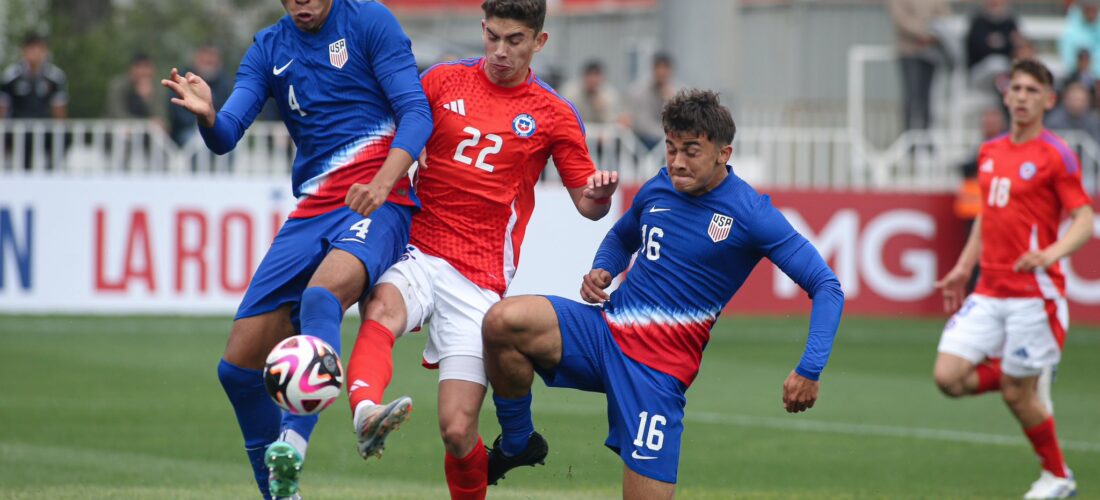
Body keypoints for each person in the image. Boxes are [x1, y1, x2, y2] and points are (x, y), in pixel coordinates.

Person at [481, 89, 845, 498]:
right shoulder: (659, 186)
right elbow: (622, 236)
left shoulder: (750, 214)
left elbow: (827, 286)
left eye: (691, 150)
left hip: (657, 372)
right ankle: (516, 444)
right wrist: (604, 267)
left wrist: (809, 369)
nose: (676, 161)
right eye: (671, 148)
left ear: (724, 153)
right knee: (502, 322)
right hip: (603, 333)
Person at [341, 1, 617, 498]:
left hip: (480, 280)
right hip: (419, 251)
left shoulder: (553, 114)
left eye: (514, 40)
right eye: (492, 37)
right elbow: (399, 129)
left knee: (457, 429)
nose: (500, 51)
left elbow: (586, 204)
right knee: (380, 308)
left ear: (539, 42)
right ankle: (365, 411)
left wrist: (598, 197)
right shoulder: (442, 81)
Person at [160, 0, 432, 498]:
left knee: (320, 297)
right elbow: (225, 136)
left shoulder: (369, 21)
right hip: (312, 209)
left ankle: (293, 442)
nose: (301, 2)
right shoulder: (268, 48)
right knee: (238, 369)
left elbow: (416, 112)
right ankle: (280, 493)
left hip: (379, 201)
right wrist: (207, 115)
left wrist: (383, 181)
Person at [933, 59, 1094, 500]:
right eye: (1016, 89)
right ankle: (1025, 371)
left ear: (1049, 100)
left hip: (1033, 295)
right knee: (948, 377)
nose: (1022, 97)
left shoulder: (1055, 153)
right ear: (1006, 96)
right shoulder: (990, 151)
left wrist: (1050, 254)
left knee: (1016, 398)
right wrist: (966, 266)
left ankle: (1058, 476)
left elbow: (1084, 218)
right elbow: (989, 215)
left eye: (1032, 90)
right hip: (990, 289)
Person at [888, 0, 950, 131]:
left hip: (932, 53)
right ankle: (910, 138)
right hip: (909, 51)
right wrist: (923, 33)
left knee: (928, 98)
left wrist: (935, 33)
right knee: (912, 96)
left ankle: (927, 137)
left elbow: (944, 15)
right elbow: (900, 19)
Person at [167, 45, 232, 146]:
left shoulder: (224, 82)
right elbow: (175, 111)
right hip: (186, 131)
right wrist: (199, 120)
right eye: (205, 59)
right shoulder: (182, 77)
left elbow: (227, 110)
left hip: (216, 128)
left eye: (212, 60)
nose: (209, 61)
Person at [0, 33, 68, 120]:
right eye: (31, 49)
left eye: (39, 49)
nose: (35, 53)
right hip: (18, 130)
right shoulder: (10, 76)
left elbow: (59, 110)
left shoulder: (55, 77)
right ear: (24, 50)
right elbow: (3, 107)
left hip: (44, 130)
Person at [624, 52, 678, 150]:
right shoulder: (639, 91)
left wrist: (671, 103)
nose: (662, 72)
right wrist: (666, 134)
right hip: (644, 142)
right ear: (652, 69)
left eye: (665, 68)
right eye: (659, 67)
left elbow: (678, 121)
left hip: (667, 141)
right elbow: (641, 124)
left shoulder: (676, 93)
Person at [106, 52, 166, 124]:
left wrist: (147, 99)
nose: (142, 71)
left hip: (148, 133)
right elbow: (116, 114)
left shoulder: (158, 88)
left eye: (146, 66)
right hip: (117, 132)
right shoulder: (118, 85)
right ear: (130, 69)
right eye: (138, 66)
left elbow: (161, 118)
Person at [561, 59, 621, 126]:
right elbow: (565, 115)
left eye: (596, 75)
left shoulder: (609, 94)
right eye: (590, 75)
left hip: (601, 132)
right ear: (583, 76)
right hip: (575, 129)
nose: (593, 79)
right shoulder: (571, 91)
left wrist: (601, 109)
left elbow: (614, 121)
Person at [1059, 0, 1100, 80]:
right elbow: (1069, 59)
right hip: (1080, 78)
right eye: (1088, 9)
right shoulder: (1071, 30)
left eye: (1094, 9)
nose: (1091, 13)